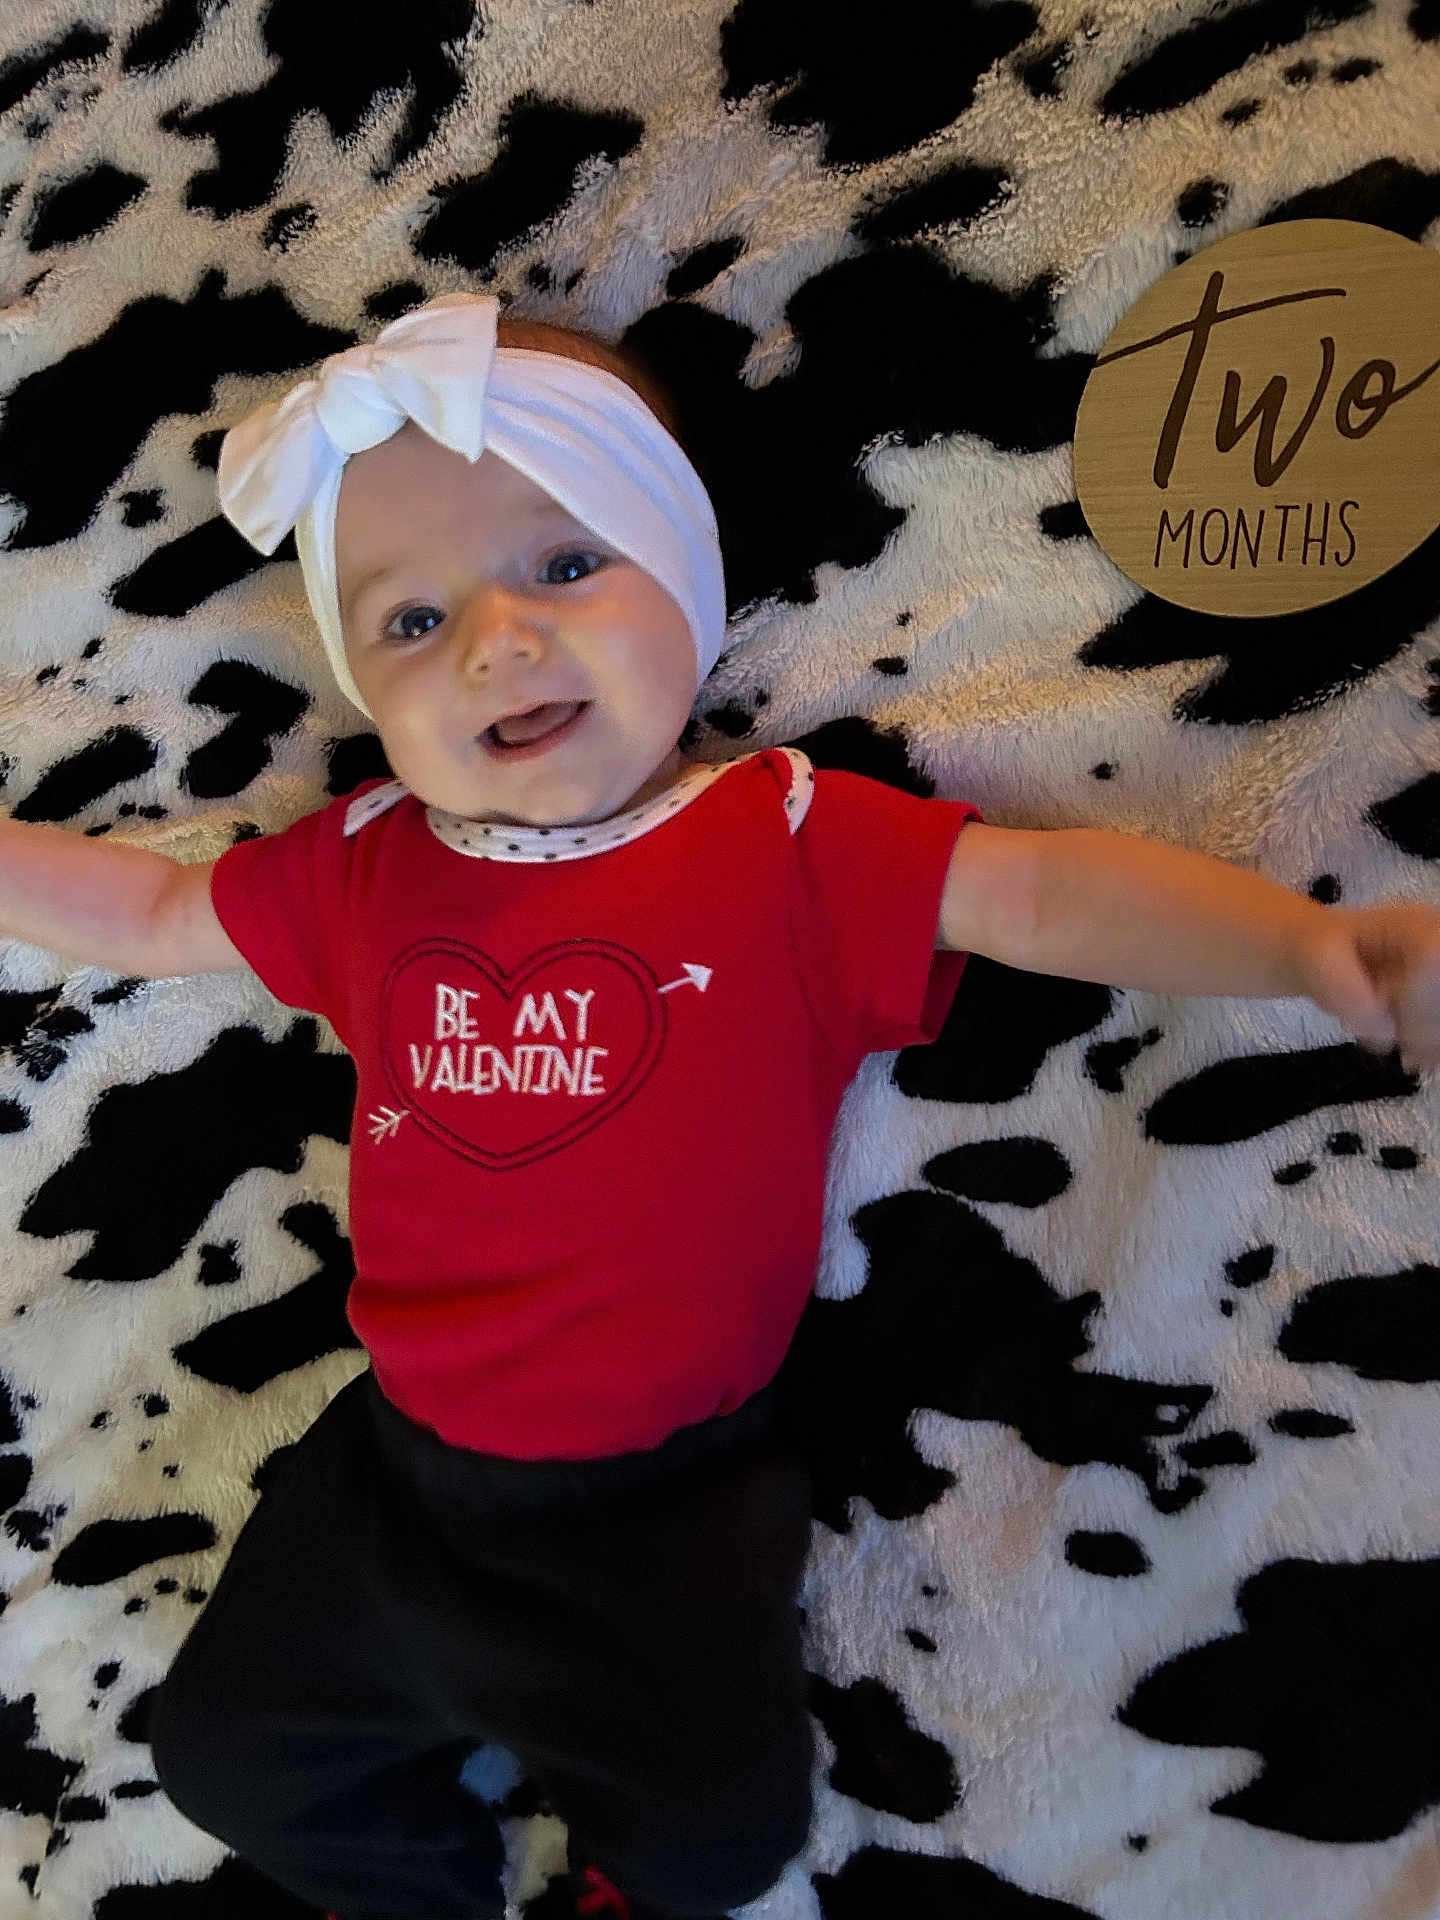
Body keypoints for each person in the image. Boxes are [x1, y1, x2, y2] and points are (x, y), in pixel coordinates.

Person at [1, 290, 1435, 1920]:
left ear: (687, 583)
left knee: (718, 1846)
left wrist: (1308, 946)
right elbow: (143, 914)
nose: (495, 640)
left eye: (564, 566)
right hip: (394, 1488)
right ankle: (433, 1886)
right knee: (226, 1757)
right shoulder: (364, 865)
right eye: (409, 624)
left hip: (661, 1511)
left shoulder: (790, 843)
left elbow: (1040, 898)